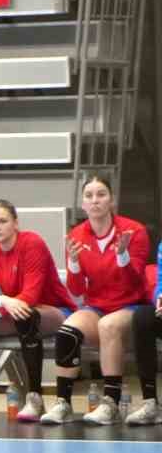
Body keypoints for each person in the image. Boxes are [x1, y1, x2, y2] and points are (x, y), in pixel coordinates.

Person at [0, 199, 75, 427]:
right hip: (14, 310)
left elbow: (30, 296)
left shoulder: (32, 243)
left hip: (54, 311)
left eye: (2, 221)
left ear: (15, 223)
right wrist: (2, 300)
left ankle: (35, 398)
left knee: (25, 315)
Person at [48, 175, 154, 428]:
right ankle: (63, 403)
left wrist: (123, 256)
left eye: (101, 194)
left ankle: (111, 403)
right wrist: (73, 264)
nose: (95, 200)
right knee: (67, 332)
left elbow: (136, 281)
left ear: (111, 200)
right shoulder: (76, 235)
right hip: (97, 305)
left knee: (108, 325)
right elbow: (75, 289)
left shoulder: (133, 231)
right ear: (83, 204)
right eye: (89, 196)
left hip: (132, 304)